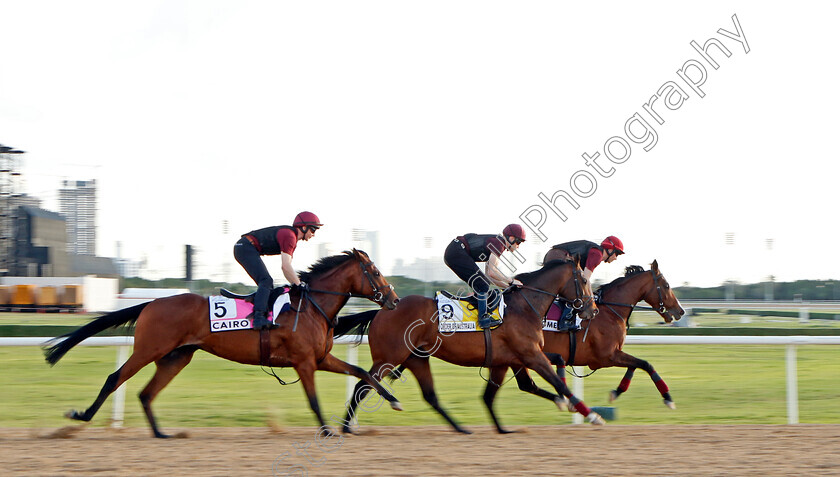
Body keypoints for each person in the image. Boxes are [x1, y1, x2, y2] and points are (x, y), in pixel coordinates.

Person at [233, 211, 323, 329]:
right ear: (304, 227)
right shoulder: (290, 236)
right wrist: (298, 284)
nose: (313, 234)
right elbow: (285, 267)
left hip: (245, 247)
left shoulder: (292, 237)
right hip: (244, 247)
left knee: (268, 284)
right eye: (313, 230)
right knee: (266, 280)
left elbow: (287, 268)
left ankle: (260, 309)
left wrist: (297, 283)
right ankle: (258, 319)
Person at [443, 224, 526, 329]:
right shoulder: (499, 244)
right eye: (518, 242)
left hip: (454, 251)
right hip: (456, 251)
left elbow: (490, 277)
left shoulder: (497, 242)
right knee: (482, 284)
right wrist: (511, 281)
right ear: (511, 238)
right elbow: (492, 273)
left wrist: (507, 287)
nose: (518, 246)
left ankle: (477, 313)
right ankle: (483, 319)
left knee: (483, 283)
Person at [543, 235, 624, 330]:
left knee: (575, 288)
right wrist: (591, 297)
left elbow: (584, 279)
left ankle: (564, 318)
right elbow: (585, 278)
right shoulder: (597, 255)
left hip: (555, 254)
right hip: (558, 255)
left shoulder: (595, 252)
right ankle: (565, 320)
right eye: (617, 254)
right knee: (575, 290)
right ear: (610, 250)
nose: (616, 258)